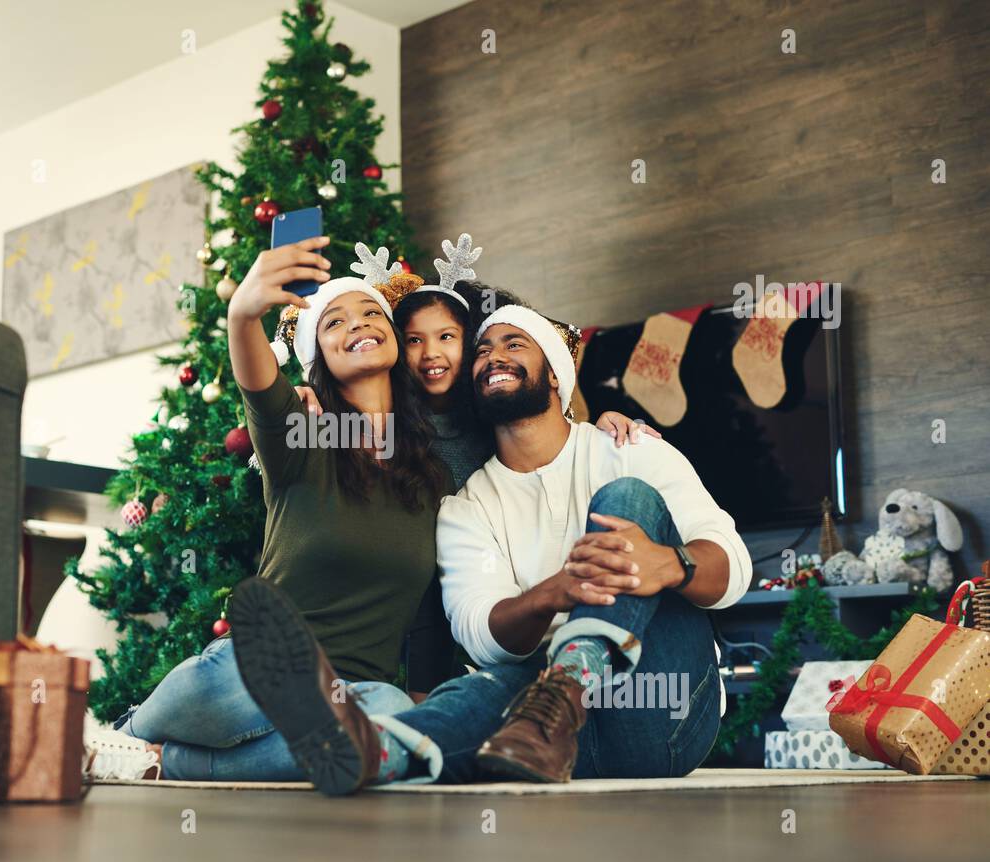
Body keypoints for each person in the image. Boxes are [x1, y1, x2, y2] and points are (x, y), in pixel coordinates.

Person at [230, 301, 753, 794]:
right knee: (484, 684)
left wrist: (673, 565)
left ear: (555, 373)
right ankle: (376, 754)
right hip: (533, 740)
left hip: (659, 717)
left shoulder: (628, 450)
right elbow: (481, 633)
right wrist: (553, 593)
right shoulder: (465, 506)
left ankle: (565, 688)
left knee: (627, 499)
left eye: (515, 343)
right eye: (481, 350)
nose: (494, 356)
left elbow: (734, 568)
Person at [112, 235, 448, 780]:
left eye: (370, 312)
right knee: (222, 679)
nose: (358, 323)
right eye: (334, 322)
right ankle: (129, 739)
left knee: (395, 722)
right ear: (318, 356)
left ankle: (157, 764)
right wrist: (243, 313)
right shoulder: (303, 434)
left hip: (353, 695)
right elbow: (258, 382)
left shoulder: (433, 477)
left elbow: (430, 620)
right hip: (259, 671)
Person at [293, 235, 656, 698]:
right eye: (413, 342)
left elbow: (551, 435)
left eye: (447, 338)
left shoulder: (493, 412)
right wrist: (307, 399)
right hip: (430, 591)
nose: (430, 355)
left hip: (511, 578)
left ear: (470, 345)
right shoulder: (394, 430)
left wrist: (602, 421)